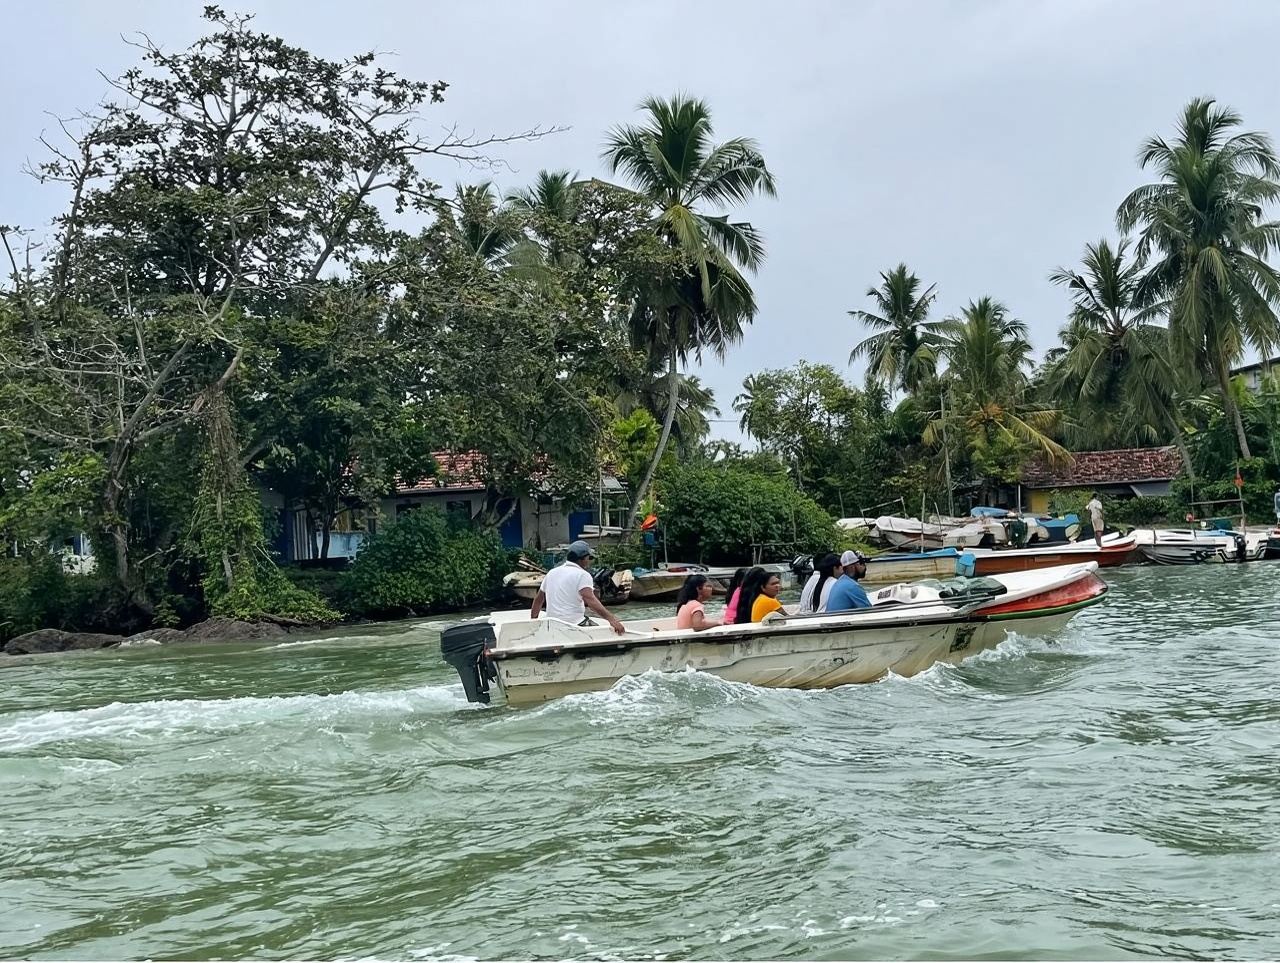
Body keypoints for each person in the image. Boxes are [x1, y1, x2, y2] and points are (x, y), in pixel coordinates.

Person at [530, 540, 625, 634]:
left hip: (551, 624)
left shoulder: (552, 573)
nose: (589, 561)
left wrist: (533, 623)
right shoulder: (583, 575)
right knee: (603, 633)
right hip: (574, 624)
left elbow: (538, 600)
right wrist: (612, 619)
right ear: (583, 558)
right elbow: (591, 601)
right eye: (589, 558)